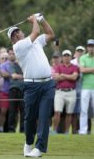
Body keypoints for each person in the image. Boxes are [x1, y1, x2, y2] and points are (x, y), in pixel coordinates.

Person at [8, 13, 55, 157]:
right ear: (12, 40)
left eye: (17, 31)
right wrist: (34, 20)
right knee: (29, 118)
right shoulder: (19, 46)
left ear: (21, 32)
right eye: (13, 35)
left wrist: (42, 20)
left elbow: (51, 34)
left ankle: (39, 148)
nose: (16, 35)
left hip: (47, 84)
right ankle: (28, 142)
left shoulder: (36, 42)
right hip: (31, 86)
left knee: (44, 116)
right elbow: (36, 31)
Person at [52, 50, 79, 134]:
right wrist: (69, 76)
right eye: (65, 56)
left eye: (68, 56)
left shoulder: (75, 67)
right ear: (62, 57)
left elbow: (74, 77)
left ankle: (67, 131)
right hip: (60, 92)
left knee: (69, 113)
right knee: (57, 112)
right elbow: (56, 77)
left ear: (71, 57)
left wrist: (63, 75)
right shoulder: (58, 67)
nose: (66, 57)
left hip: (71, 92)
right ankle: (54, 130)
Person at [8, 49, 24, 133]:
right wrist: (24, 76)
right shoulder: (12, 65)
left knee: (23, 111)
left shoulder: (24, 64)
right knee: (12, 111)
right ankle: (11, 129)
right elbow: (14, 76)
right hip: (13, 90)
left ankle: (23, 129)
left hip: (23, 90)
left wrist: (21, 75)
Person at [70, 46, 85, 134]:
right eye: (78, 51)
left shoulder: (86, 61)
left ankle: (85, 129)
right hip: (74, 88)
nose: (80, 52)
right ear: (75, 52)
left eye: (81, 51)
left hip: (84, 88)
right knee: (74, 111)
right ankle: (74, 130)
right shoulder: (72, 62)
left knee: (84, 110)